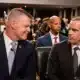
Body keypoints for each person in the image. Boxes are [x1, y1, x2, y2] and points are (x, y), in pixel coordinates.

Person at [0, 8, 36, 80]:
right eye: (26, 26)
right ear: (13, 24)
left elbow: (30, 77)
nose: (29, 30)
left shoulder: (29, 48)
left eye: (30, 27)